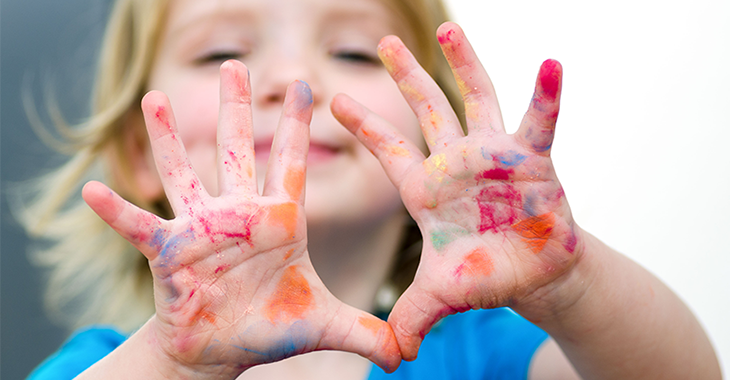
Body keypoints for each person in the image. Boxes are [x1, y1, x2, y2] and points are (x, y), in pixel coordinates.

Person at [20, 0, 721, 378]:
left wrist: (569, 281)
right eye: (219, 53)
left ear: (431, 136)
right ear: (140, 152)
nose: (294, 77)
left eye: (353, 52)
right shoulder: (107, 366)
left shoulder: (485, 358)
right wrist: (171, 368)